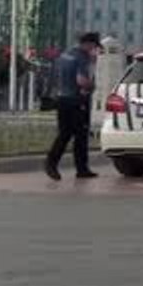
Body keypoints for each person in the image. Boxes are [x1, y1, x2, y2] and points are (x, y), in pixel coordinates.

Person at [45, 32, 102, 180]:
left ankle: (53, 164)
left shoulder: (65, 55)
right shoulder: (82, 57)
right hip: (77, 100)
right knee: (81, 136)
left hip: (62, 99)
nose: (94, 49)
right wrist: (92, 86)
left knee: (64, 133)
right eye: (94, 46)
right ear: (88, 43)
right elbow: (81, 80)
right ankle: (80, 168)